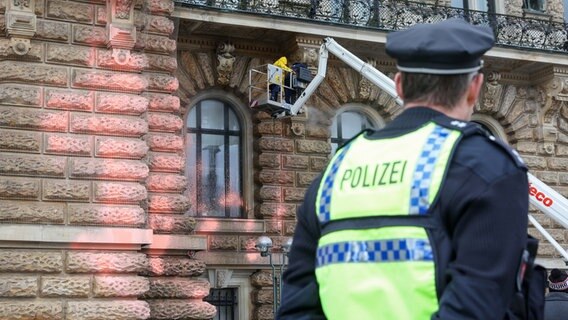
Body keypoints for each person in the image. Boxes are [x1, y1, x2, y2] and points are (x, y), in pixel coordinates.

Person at [277, 19, 533, 319]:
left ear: (399, 85)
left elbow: (297, 307)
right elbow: (477, 305)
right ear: (474, 88)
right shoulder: (486, 165)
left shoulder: (336, 171)